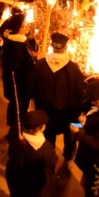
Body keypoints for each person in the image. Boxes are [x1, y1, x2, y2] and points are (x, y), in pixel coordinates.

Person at [30, 32, 86, 162]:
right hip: (70, 112)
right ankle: (69, 155)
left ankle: (49, 158)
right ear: (65, 48)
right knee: (71, 132)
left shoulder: (40, 66)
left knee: (48, 134)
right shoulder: (73, 68)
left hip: (46, 110)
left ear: (51, 46)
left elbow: (31, 88)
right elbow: (80, 90)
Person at [6, 110, 61, 197]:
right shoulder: (45, 148)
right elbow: (53, 161)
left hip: (16, 175)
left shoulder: (15, 135)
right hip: (37, 181)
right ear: (40, 128)